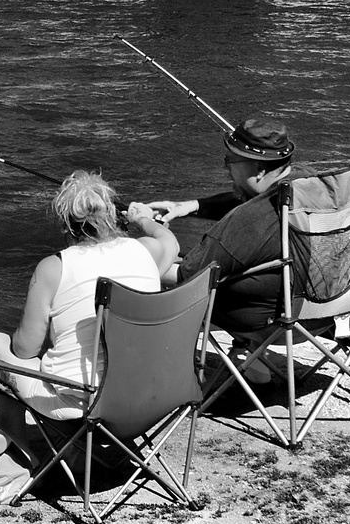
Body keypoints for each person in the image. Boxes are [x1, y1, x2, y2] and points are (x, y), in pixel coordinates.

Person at [0, 170, 177, 506]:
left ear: (66, 224)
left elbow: (24, 350)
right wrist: (142, 220)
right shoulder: (145, 251)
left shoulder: (54, 268)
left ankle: (22, 457)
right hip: (156, 395)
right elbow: (170, 242)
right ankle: (80, 451)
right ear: (112, 213)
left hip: (86, 402)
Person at [127, 117, 304, 383]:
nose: (225, 169)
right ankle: (252, 357)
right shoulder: (310, 192)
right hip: (314, 314)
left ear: (257, 169)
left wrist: (146, 238)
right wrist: (192, 205)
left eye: (230, 162)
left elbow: (188, 277)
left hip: (264, 321)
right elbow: (253, 201)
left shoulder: (246, 221)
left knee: (154, 267)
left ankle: (156, 375)